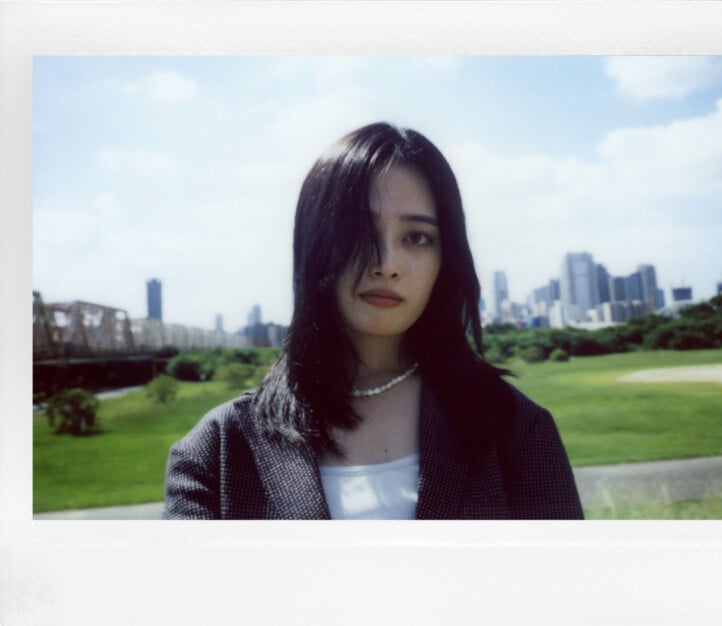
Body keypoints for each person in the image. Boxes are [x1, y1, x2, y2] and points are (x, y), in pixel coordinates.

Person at [163, 122, 583, 520]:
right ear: (316, 243)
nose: (386, 264)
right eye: (359, 232)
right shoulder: (216, 450)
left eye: (417, 237)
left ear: (445, 258)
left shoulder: (515, 428)